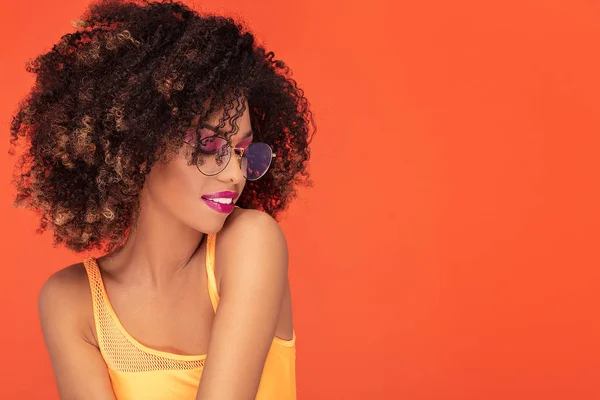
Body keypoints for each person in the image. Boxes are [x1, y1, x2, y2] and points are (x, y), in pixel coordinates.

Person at [8, 0, 314, 398]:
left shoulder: (250, 243)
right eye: (208, 146)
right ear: (139, 149)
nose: (235, 173)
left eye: (242, 151)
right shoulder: (72, 302)